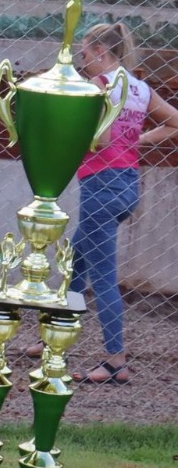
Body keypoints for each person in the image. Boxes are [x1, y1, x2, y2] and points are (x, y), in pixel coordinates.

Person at [64, 23, 178, 384]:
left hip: (100, 187)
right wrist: (135, 140)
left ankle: (116, 360)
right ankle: (54, 338)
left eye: (84, 53)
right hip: (127, 184)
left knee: (103, 277)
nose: (82, 60)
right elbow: (175, 123)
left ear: (100, 51)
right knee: (77, 260)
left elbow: (99, 139)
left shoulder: (99, 87)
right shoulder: (139, 87)